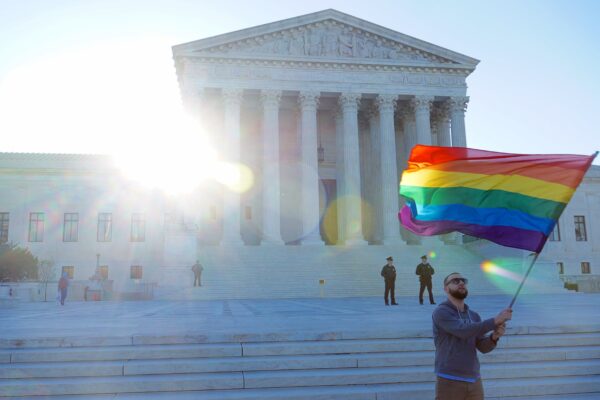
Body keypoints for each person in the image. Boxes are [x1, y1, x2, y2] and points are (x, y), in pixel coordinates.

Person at [433, 272, 512, 400]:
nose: (461, 283)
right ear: (446, 289)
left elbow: (482, 347)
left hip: (474, 379)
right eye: (455, 281)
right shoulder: (441, 312)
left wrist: (494, 336)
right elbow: (463, 330)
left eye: (463, 280)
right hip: (449, 379)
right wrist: (494, 321)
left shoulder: (474, 316)